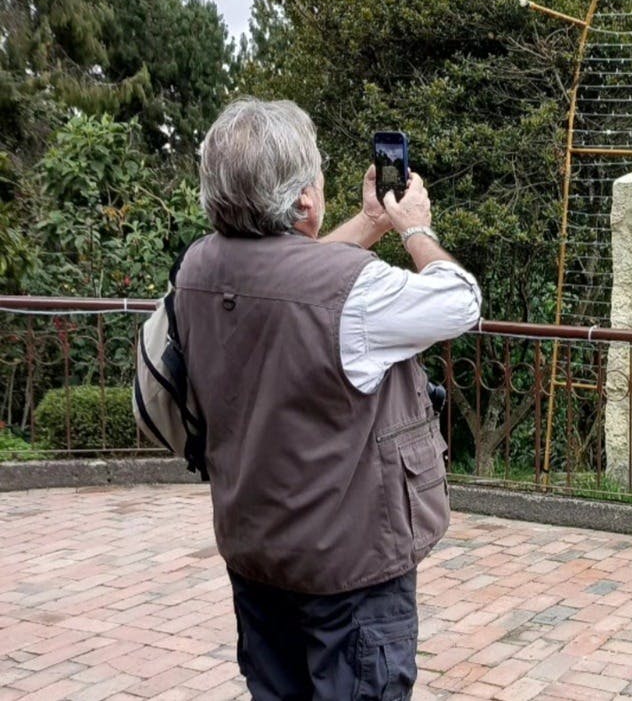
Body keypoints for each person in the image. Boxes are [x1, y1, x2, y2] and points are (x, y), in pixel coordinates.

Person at [175, 97, 481, 699]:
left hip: (257, 557)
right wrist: (414, 227)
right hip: (350, 575)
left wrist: (370, 221)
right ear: (306, 202)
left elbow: (294, 272)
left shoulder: (197, 269)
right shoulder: (353, 294)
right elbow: (460, 299)